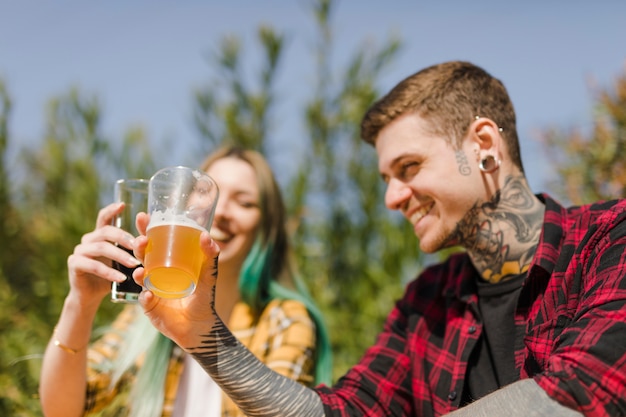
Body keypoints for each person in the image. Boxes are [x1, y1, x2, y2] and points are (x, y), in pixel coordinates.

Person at [132, 60, 626, 417]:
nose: (392, 197)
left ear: (483, 147)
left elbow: (583, 395)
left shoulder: (609, 241)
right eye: (385, 178)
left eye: (408, 168)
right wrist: (203, 336)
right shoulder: (427, 303)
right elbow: (338, 413)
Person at [39, 146, 332, 417]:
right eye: (208, 195)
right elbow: (63, 410)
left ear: (265, 228)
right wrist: (81, 303)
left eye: (244, 202)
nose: (222, 213)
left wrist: (203, 334)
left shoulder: (285, 319)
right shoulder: (150, 315)